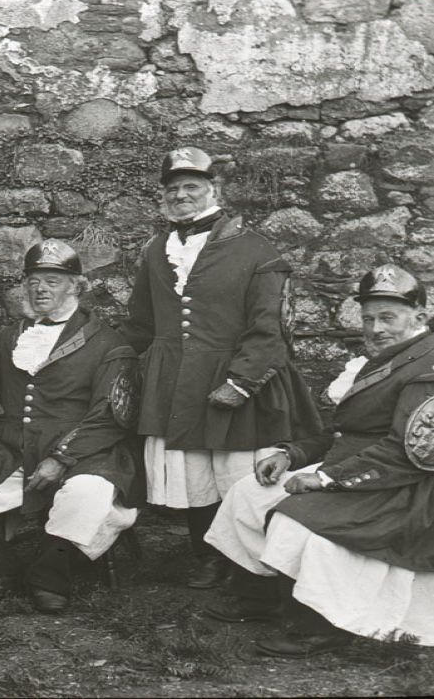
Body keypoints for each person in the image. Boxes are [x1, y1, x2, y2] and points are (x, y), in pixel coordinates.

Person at [204, 264, 434, 657]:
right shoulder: (391, 357)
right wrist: (291, 454)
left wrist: (326, 480)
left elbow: (406, 451)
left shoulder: (425, 368)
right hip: (356, 465)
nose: (375, 328)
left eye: (387, 318)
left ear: (420, 316)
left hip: (403, 484)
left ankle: (319, 627)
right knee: (248, 492)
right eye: (368, 319)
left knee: (297, 518)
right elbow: (345, 431)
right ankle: (261, 597)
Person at [119, 146, 321, 589]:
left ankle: (254, 566)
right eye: (173, 188)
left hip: (237, 377)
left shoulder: (256, 249)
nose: (181, 195)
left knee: (239, 474)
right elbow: (140, 323)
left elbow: (270, 327)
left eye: (191, 186)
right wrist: (110, 362)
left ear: (215, 189)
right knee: (194, 477)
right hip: (174, 382)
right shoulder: (156, 250)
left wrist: (242, 382)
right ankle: (208, 556)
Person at [0, 239, 142, 613]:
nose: (40, 289)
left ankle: (49, 576)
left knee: (88, 493)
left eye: (52, 281)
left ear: (75, 286)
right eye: (33, 281)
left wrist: (62, 458)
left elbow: (111, 417)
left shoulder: (108, 343)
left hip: (86, 450)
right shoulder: (8, 338)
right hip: (13, 447)